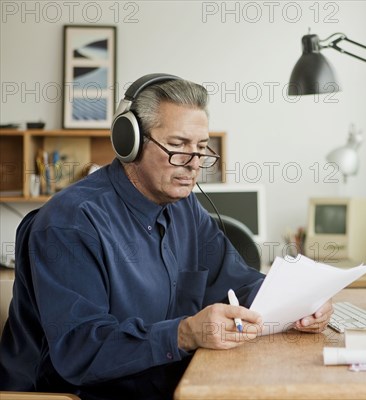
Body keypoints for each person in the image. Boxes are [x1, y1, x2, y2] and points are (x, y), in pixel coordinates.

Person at [0, 74, 333, 399]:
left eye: (201, 148)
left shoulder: (184, 209)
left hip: (170, 385)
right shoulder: (71, 223)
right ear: (129, 141)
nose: (192, 163)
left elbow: (237, 282)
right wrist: (184, 333)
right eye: (177, 145)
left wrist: (300, 301)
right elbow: (81, 350)